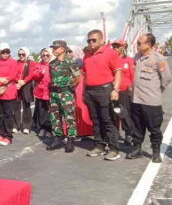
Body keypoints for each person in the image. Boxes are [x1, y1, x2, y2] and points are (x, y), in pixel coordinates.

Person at [126, 33, 171, 162]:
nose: (137, 45)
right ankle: (137, 149)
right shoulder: (137, 57)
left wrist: (156, 91)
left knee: (154, 128)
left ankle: (156, 152)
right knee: (137, 127)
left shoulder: (159, 59)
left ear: (149, 44)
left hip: (151, 101)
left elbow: (166, 79)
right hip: (136, 99)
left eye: (140, 43)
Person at [82, 29, 123, 161]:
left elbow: (118, 72)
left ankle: (114, 149)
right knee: (95, 120)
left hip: (105, 90)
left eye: (94, 40)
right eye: (89, 40)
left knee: (107, 120)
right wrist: (84, 92)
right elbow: (84, 75)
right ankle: (99, 145)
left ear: (101, 40)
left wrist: (115, 89)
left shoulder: (110, 53)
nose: (91, 42)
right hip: (90, 91)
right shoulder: (87, 56)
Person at [46, 40, 80, 152]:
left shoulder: (70, 62)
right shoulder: (52, 64)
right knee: (54, 117)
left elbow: (77, 78)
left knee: (69, 117)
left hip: (66, 93)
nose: (54, 50)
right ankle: (57, 138)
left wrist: (69, 88)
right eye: (53, 48)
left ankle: (70, 140)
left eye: (56, 48)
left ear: (63, 49)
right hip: (54, 93)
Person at [0, 43, 21, 146]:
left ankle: (8, 136)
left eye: (7, 52)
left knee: (8, 115)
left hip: (8, 91)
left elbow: (12, 75)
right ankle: (1, 134)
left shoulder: (13, 62)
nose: (5, 54)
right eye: (3, 52)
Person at [110, 40, 135, 145]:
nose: (115, 48)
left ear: (123, 47)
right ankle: (114, 135)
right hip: (112, 90)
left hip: (124, 90)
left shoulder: (129, 60)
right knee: (113, 114)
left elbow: (133, 75)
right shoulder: (110, 60)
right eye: (113, 46)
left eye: (117, 46)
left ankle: (128, 134)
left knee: (125, 113)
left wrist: (132, 87)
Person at [29, 48, 53, 137]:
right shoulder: (38, 65)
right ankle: (42, 128)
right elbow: (34, 76)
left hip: (51, 92)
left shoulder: (53, 65)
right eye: (43, 55)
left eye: (47, 55)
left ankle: (50, 128)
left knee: (50, 111)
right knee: (41, 111)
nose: (45, 57)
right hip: (40, 92)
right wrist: (40, 73)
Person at [15, 47, 36, 134]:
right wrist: (17, 81)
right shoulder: (16, 62)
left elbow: (31, 74)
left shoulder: (31, 63)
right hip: (17, 85)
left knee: (26, 106)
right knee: (16, 106)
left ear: (26, 54)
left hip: (26, 86)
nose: (21, 56)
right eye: (19, 54)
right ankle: (16, 125)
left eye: (23, 54)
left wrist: (23, 82)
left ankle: (26, 125)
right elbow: (13, 73)